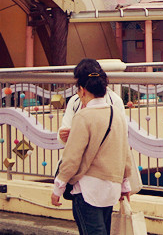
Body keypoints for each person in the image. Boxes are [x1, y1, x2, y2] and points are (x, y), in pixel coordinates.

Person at [51, 61, 134, 235]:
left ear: (82, 89)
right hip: (111, 188)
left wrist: (58, 187)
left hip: (88, 190)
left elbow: (71, 158)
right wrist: (125, 184)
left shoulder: (83, 116)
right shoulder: (116, 113)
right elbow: (124, 151)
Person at [57, 59, 125, 145]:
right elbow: (65, 128)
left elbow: (122, 134)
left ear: (82, 88)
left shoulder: (114, 101)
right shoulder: (75, 102)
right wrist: (62, 136)